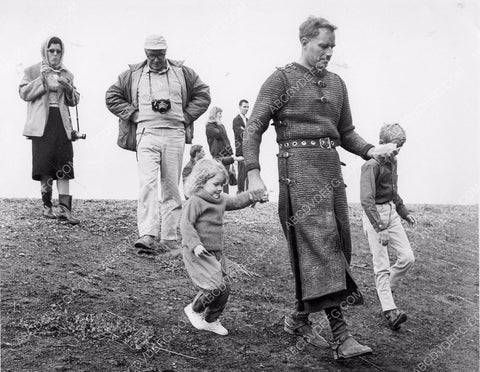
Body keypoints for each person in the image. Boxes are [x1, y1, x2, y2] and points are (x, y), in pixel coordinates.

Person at [243, 16, 381, 360]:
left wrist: (370, 150)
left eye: (333, 46)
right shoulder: (281, 79)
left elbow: (346, 131)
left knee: (337, 244)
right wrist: (254, 173)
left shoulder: (337, 84)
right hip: (298, 170)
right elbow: (254, 127)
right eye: (324, 45)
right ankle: (342, 336)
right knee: (320, 245)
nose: (330, 52)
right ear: (304, 41)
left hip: (331, 170)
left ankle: (298, 318)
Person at [105, 35, 211, 253]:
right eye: (151, 55)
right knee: (148, 184)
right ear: (145, 53)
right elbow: (111, 96)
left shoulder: (183, 72)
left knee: (171, 185)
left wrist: (187, 115)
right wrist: (132, 114)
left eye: (159, 55)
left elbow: (203, 93)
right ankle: (147, 234)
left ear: (166, 52)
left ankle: (170, 236)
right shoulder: (133, 75)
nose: (155, 60)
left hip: (175, 133)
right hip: (146, 133)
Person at [181, 159, 264, 335]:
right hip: (198, 252)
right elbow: (186, 226)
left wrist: (254, 196)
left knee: (224, 288)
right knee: (214, 286)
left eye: (222, 184)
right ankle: (194, 309)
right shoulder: (195, 201)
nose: (220, 188)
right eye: (216, 184)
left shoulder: (220, 200)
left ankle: (211, 320)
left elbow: (237, 201)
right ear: (201, 182)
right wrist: (195, 245)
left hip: (216, 253)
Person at [19, 36, 81, 225]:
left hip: (61, 123)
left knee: (64, 164)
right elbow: (24, 93)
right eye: (51, 50)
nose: (55, 54)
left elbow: (75, 100)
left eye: (58, 51)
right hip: (41, 125)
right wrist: (41, 78)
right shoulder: (32, 71)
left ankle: (64, 210)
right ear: (44, 51)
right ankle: (47, 206)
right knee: (45, 165)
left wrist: (68, 87)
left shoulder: (67, 73)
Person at [360, 123, 416, 331]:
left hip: (391, 212)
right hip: (374, 214)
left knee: (408, 257)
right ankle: (390, 310)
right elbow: (366, 200)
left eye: (400, 148)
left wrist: (404, 212)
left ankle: (385, 292)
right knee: (381, 264)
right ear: (381, 144)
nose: (397, 152)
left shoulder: (394, 161)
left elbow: (393, 191)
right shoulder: (370, 166)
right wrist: (380, 228)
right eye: (394, 148)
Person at [205, 106, 234, 194]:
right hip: (217, 155)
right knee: (218, 176)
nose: (221, 116)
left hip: (226, 153)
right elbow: (218, 134)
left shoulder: (220, 125)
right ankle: (217, 196)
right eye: (220, 113)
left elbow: (226, 139)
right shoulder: (209, 126)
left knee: (226, 176)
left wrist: (231, 153)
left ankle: (225, 196)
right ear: (215, 114)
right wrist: (219, 124)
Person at [232, 99, 249, 193]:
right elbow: (241, 134)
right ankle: (240, 192)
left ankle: (248, 194)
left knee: (249, 172)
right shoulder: (236, 120)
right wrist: (247, 132)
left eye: (247, 107)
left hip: (249, 150)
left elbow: (253, 133)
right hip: (241, 150)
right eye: (244, 107)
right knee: (242, 173)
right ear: (240, 107)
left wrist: (246, 131)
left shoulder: (248, 120)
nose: (246, 109)